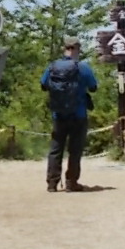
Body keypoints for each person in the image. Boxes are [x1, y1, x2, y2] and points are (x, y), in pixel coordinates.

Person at [41, 35, 98, 192]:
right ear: (78, 49)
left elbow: (43, 85)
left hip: (58, 115)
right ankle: (71, 183)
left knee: (56, 149)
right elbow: (93, 87)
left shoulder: (52, 67)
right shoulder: (83, 67)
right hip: (78, 115)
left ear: (64, 49)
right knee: (75, 150)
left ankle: (52, 184)